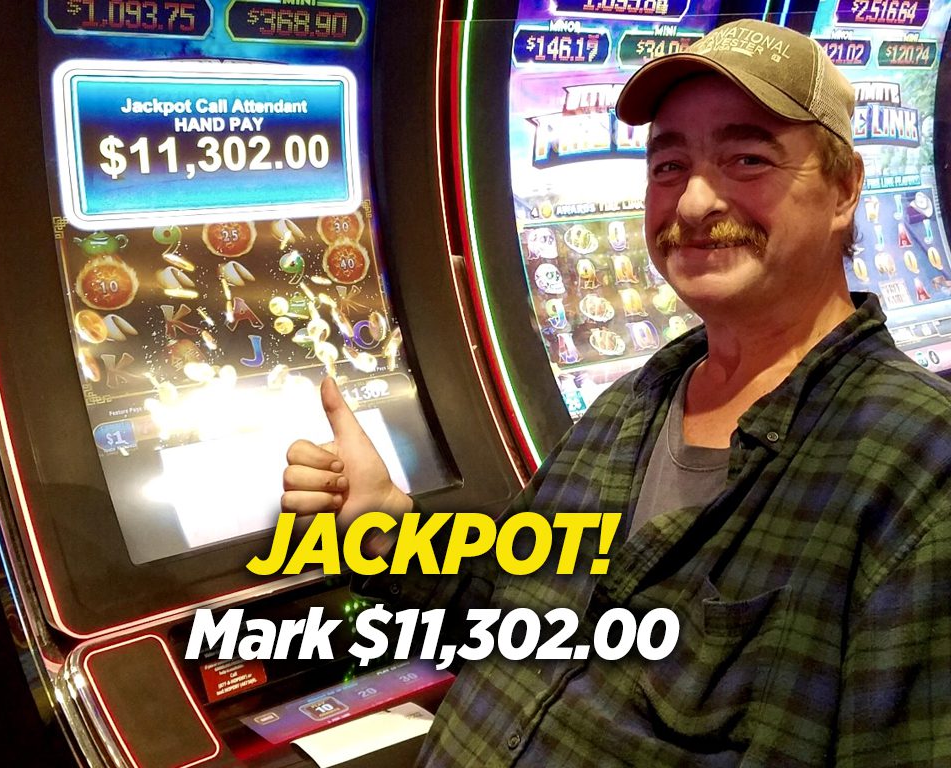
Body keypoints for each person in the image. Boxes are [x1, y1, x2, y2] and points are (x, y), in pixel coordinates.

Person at [282, 19, 951, 766]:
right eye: (669, 167)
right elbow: (504, 612)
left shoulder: (917, 470)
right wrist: (384, 529)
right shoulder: (635, 403)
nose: (695, 203)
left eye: (746, 158)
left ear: (843, 189)